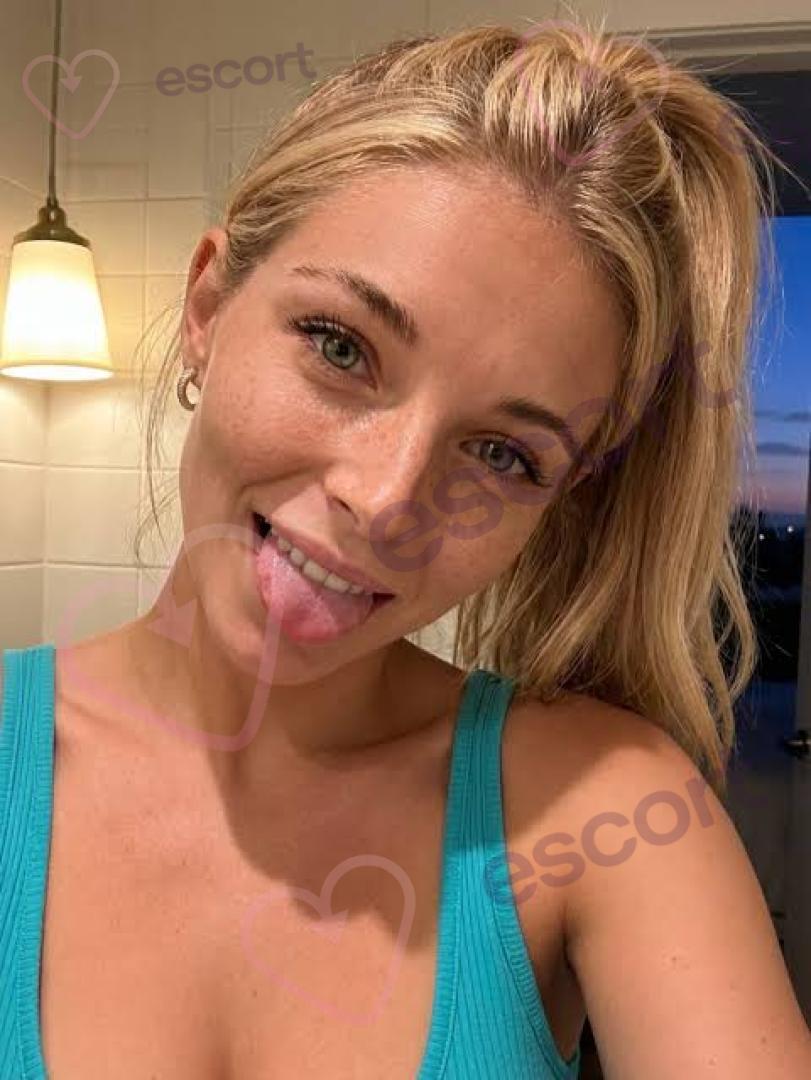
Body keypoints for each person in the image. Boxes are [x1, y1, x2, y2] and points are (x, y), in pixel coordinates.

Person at [2, 17, 810, 1080]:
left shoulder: (605, 812)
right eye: (340, 348)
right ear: (207, 304)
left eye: (502, 454)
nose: (386, 503)